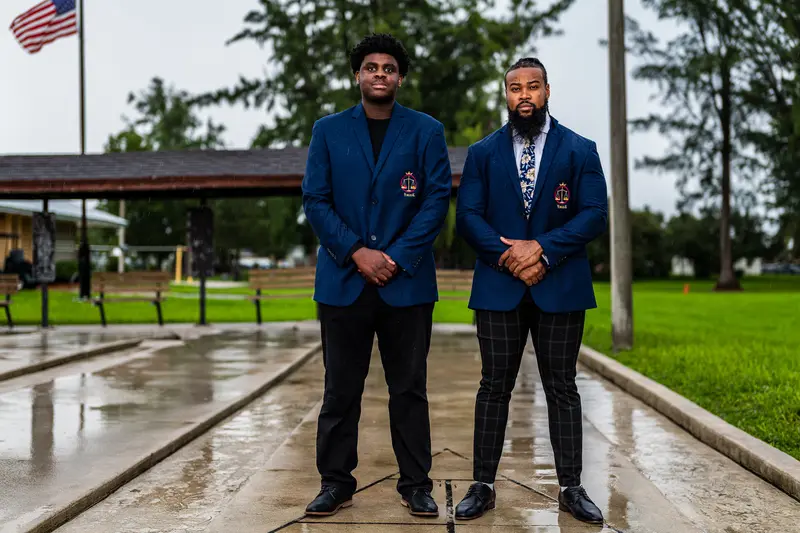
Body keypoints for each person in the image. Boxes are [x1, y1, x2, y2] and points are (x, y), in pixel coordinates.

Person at [301, 33, 452, 518]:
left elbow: (434, 202)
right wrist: (356, 252)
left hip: (405, 283)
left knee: (408, 389)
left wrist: (394, 257)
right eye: (371, 67)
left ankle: (415, 485)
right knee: (339, 390)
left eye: (389, 67)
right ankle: (336, 482)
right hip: (344, 282)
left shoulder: (426, 131)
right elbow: (315, 200)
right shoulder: (327, 130)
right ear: (358, 75)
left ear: (400, 77)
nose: (380, 74)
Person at [453, 57, 608, 525]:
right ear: (506, 96)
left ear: (547, 92)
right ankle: (482, 485)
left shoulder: (580, 150)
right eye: (515, 87)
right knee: (492, 387)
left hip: (559, 286)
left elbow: (593, 215)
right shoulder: (482, 154)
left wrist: (542, 250)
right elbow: (468, 218)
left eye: (533, 86)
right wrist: (510, 258)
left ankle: (571, 487)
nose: (524, 95)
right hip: (500, 288)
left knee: (561, 387)